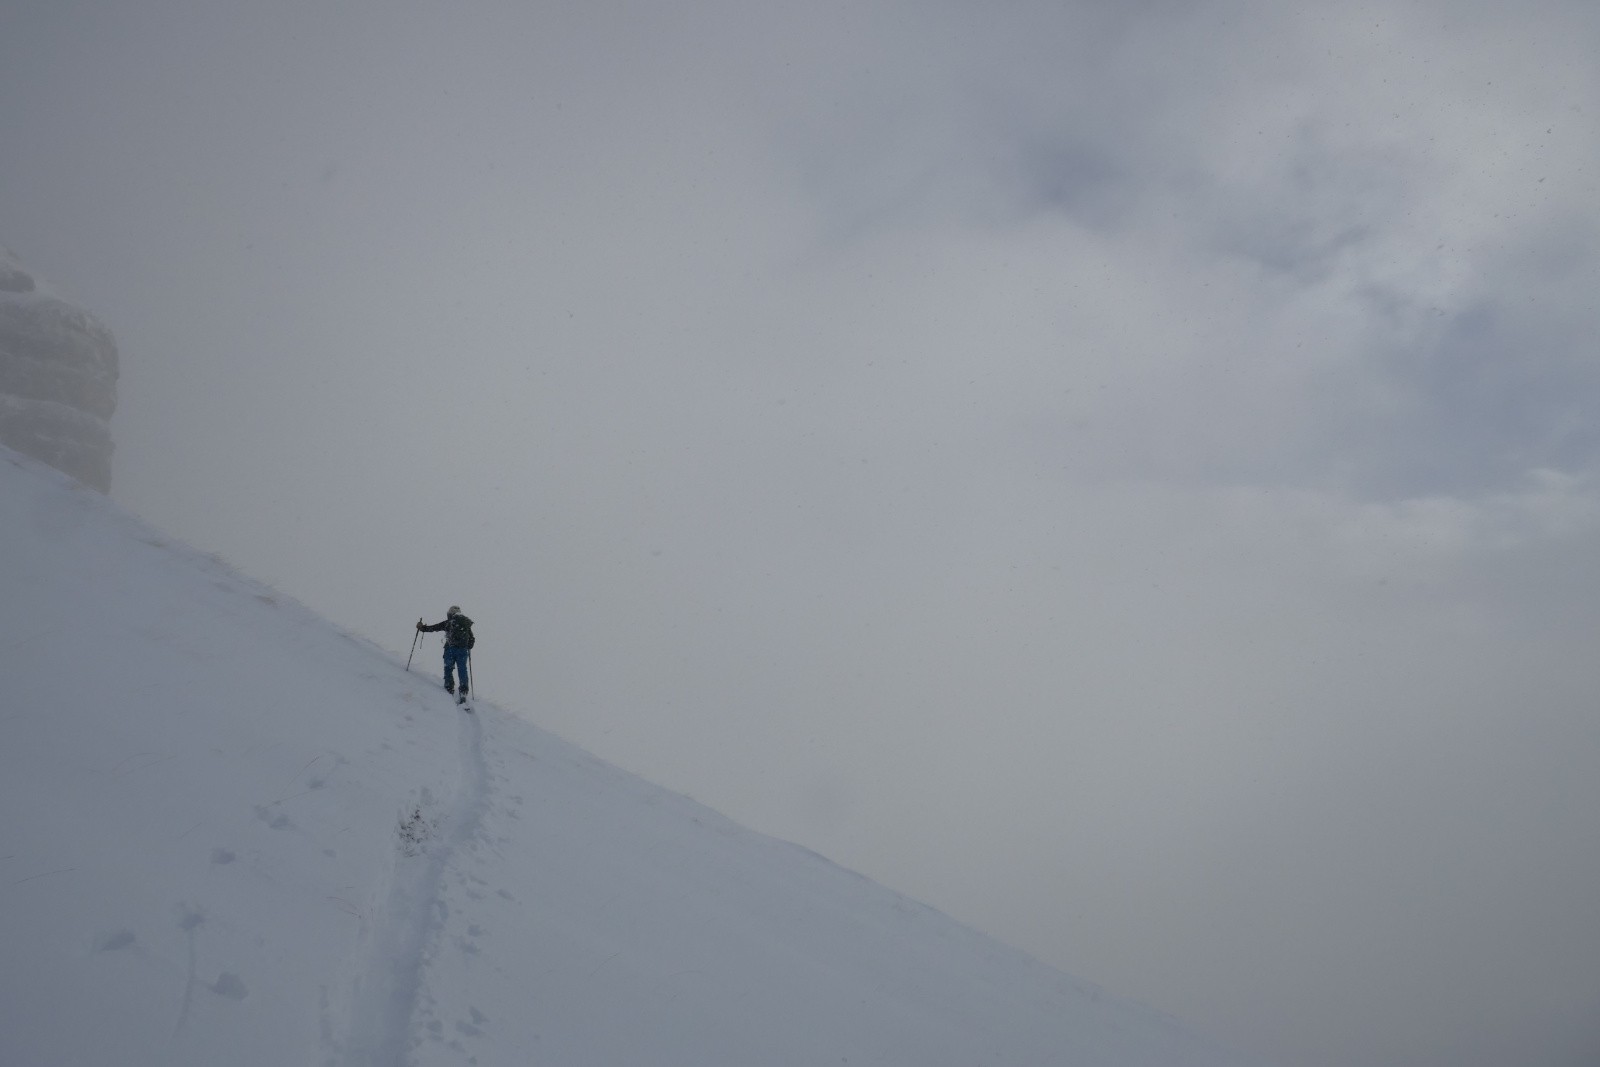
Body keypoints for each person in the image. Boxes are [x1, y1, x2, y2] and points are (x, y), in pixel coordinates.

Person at [417, 606, 475, 703]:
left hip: (450, 649)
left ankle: (449, 687)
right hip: (463, 650)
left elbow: (434, 628)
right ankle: (463, 691)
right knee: (462, 669)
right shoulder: (465, 624)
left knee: (448, 667)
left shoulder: (448, 623)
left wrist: (422, 628)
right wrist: (467, 646)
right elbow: (472, 639)